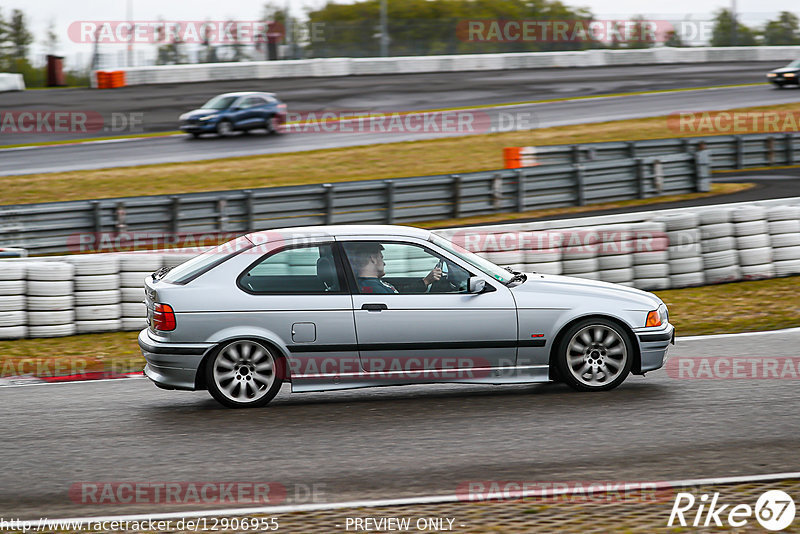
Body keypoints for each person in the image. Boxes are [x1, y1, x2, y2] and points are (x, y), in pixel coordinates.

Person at [347, 242, 441, 294]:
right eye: (381, 258)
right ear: (373, 258)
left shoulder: (370, 284)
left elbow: (400, 292)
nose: (384, 263)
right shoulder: (374, 289)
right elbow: (400, 302)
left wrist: (426, 281)